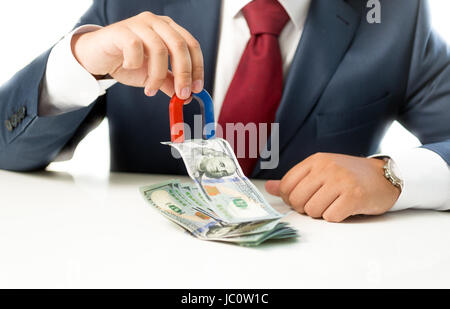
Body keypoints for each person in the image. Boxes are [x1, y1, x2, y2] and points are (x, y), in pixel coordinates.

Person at [0, 0, 449, 222]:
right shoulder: (129, 3)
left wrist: (393, 176)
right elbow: (6, 148)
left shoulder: (395, 16)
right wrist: (79, 62)